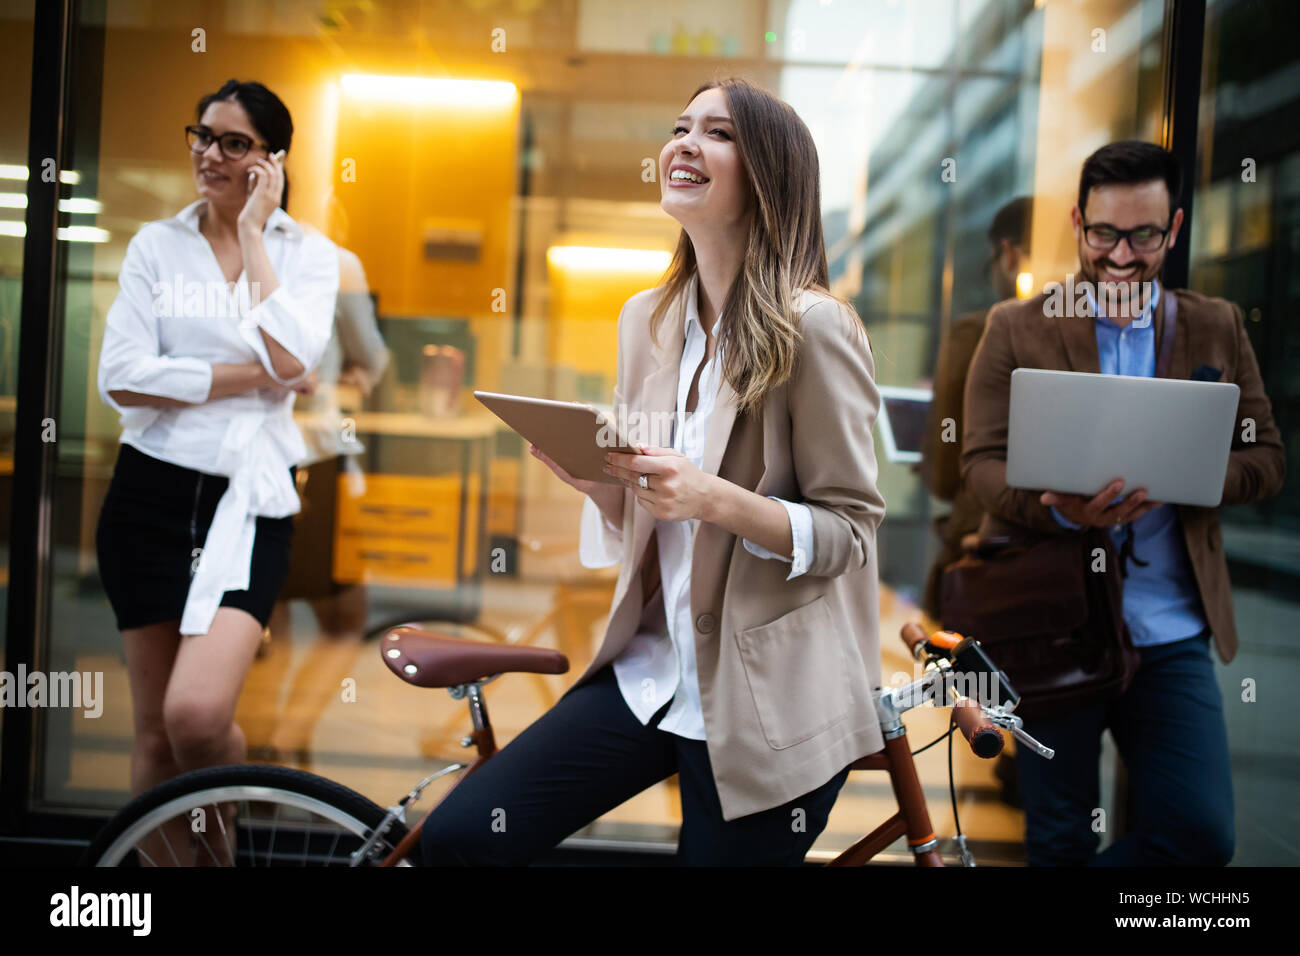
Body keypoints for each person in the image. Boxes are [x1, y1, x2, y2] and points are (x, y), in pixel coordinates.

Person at [420, 77, 886, 866]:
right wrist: (603, 487)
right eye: (680, 127)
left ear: (769, 174)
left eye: (719, 133)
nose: (686, 143)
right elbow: (652, 509)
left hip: (763, 698)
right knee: (463, 839)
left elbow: (851, 533)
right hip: (650, 676)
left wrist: (713, 499)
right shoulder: (648, 318)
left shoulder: (816, 328)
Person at [961, 141, 1285, 865]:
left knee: (1200, 834)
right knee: (1058, 835)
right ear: (1078, 224)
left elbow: (1266, 460)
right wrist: (1061, 511)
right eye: (1104, 233)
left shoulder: (1217, 325)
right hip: (1057, 622)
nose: (1120, 256)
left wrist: (1192, 470)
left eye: (1143, 236)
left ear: (1173, 229)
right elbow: (977, 464)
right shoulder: (1017, 327)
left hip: (1171, 632)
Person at [95, 79, 337, 859]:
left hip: (250, 500)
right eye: (202, 135)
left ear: (272, 162)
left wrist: (258, 237)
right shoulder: (155, 247)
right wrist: (248, 376)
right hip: (149, 493)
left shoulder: (308, 255)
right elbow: (121, 375)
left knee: (196, 717)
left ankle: (222, 854)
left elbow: (295, 361)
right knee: (155, 736)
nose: (210, 154)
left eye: (234, 143)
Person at [920, 196, 1033, 621]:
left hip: (984, 555)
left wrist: (930, 459)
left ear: (1008, 254)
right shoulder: (1090, 334)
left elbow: (946, 475)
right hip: (1075, 580)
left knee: (973, 687)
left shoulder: (974, 333)